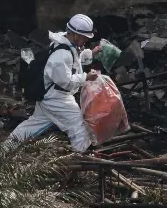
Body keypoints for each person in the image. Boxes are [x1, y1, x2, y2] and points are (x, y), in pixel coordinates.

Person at [6, 14, 98, 152]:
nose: (85, 40)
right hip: (56, 98)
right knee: (78, 126)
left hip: (48, 95)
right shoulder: (61, 55)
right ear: (76, 35)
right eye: (84, 37)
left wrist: (90, 53)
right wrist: (85, 77)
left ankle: (6, 148)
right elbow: (65, 82)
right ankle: (84, 155)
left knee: (33, 125)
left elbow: (75, 60)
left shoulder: (65, 43)